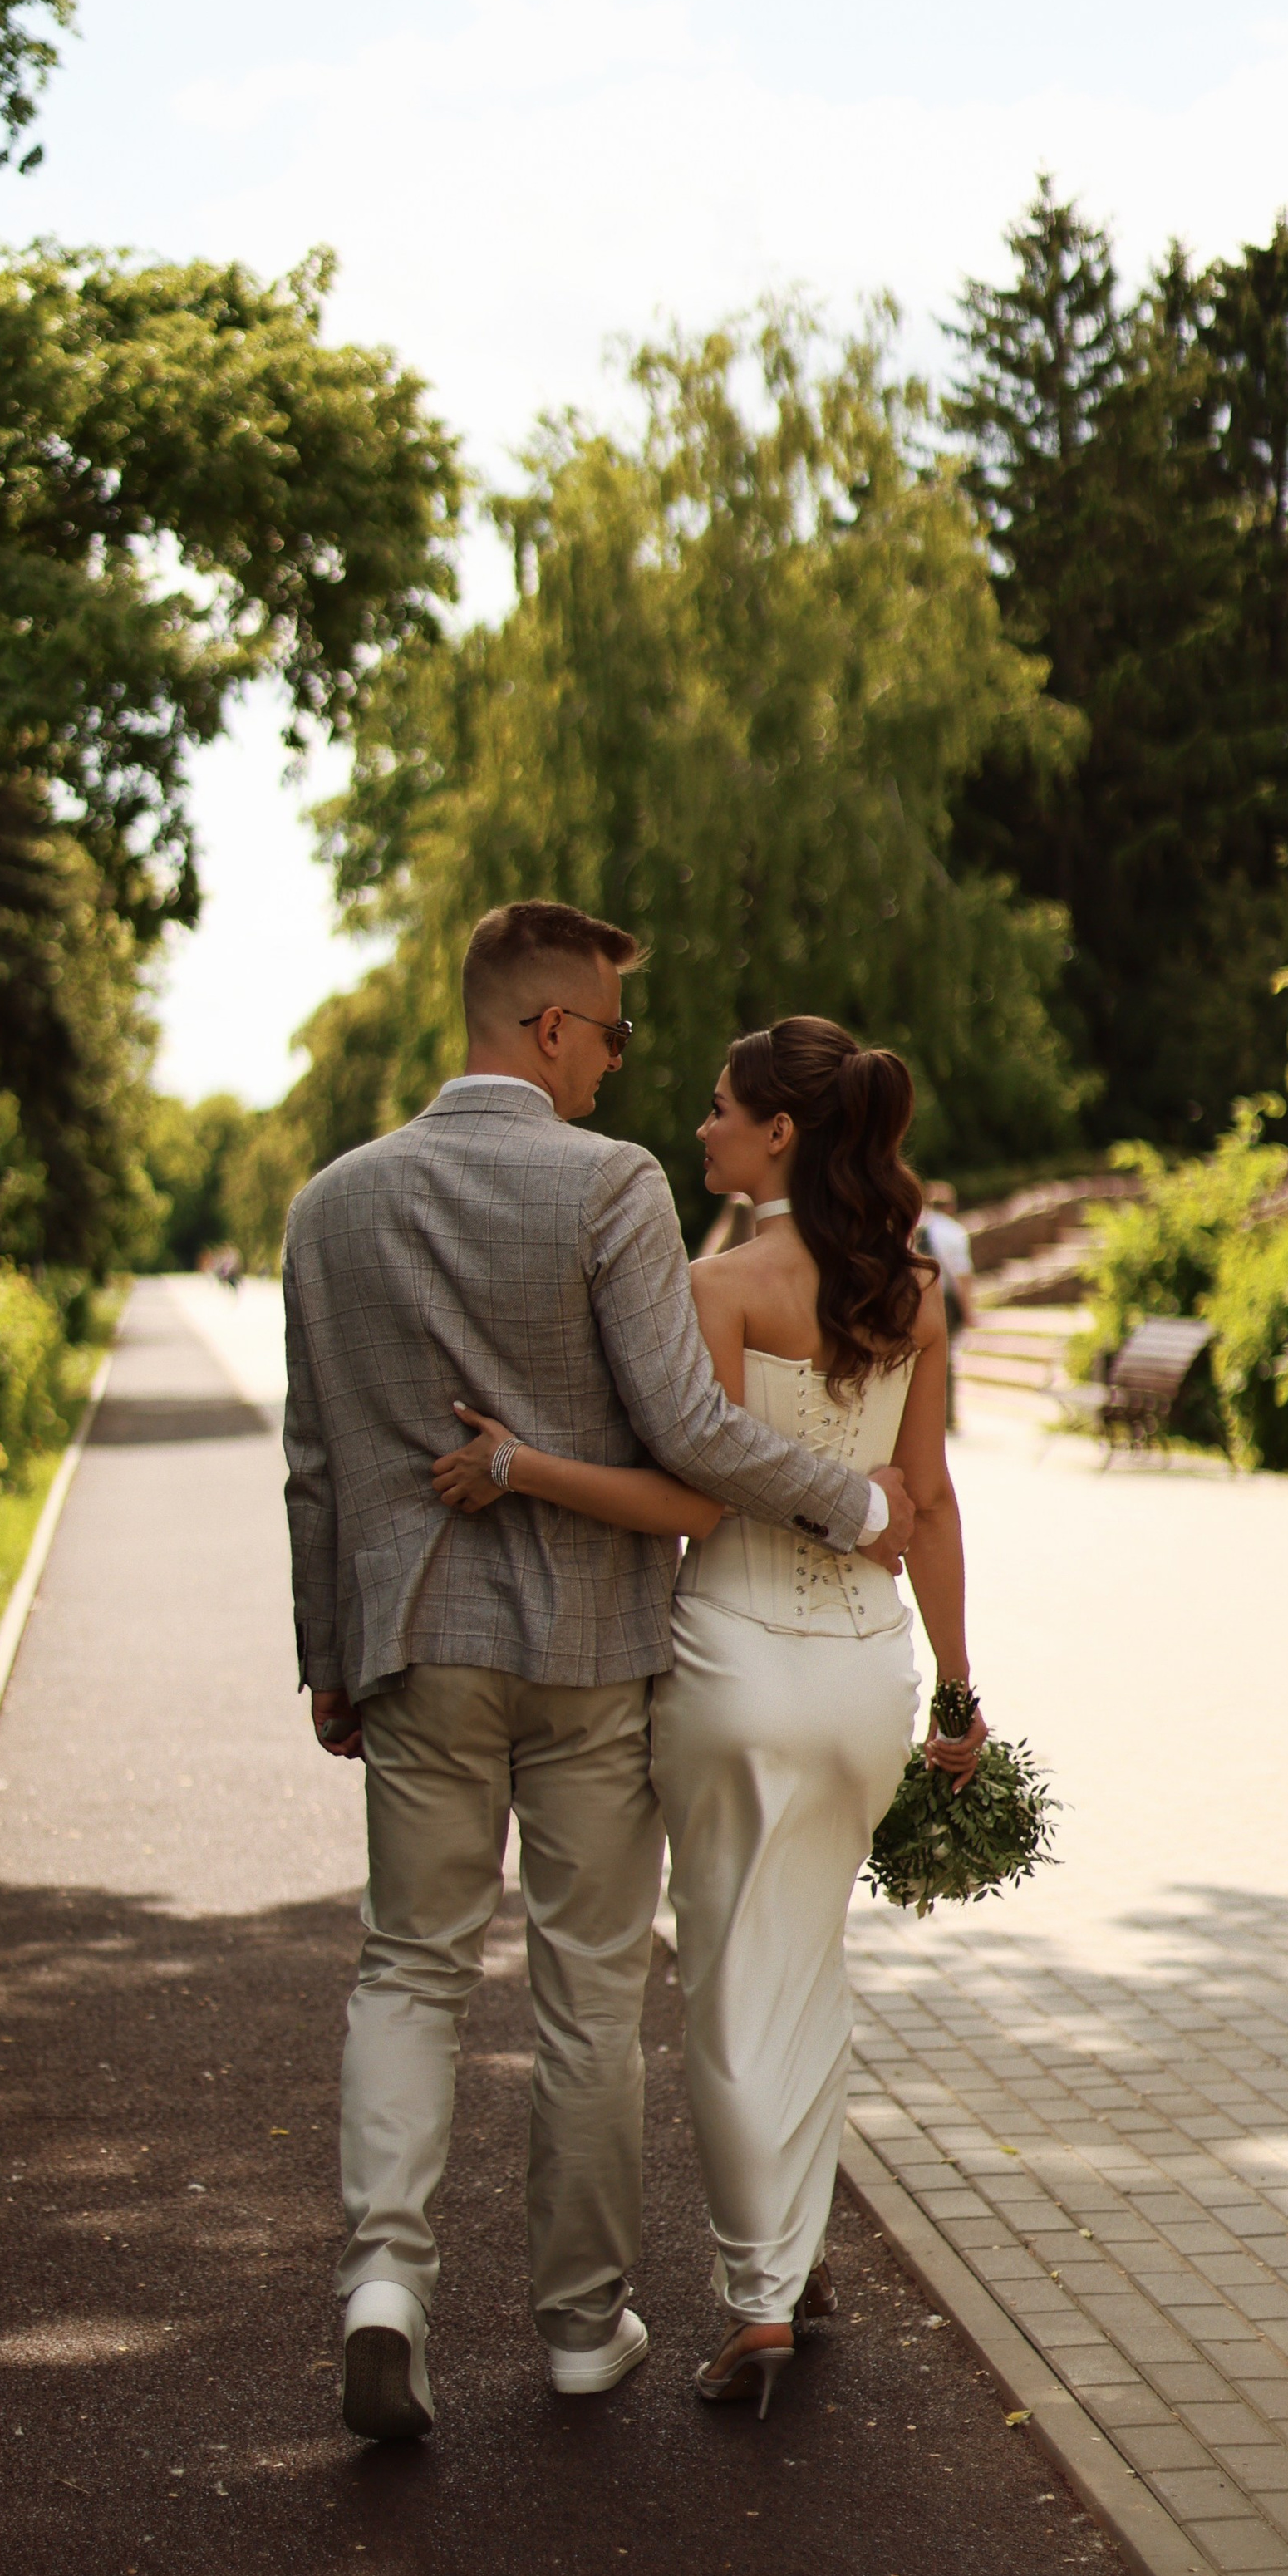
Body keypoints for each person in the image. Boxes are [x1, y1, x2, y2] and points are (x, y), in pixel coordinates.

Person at [283, 905, 914, 2443]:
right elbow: (689, 1436)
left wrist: (329, 1657)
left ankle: (383, 2288)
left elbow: (312, 1465)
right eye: (617, 1037)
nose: (623, 1069)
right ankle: (580, 2330)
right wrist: (850, 1497)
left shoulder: (331, 1206)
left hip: (415, 1643)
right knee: (587, 1991)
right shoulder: (608, 1185)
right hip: (592, 1650)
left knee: (410, 1966)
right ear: (552, 1027)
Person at [436, 1017, 986, 2421]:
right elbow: (929, 1503)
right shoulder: (911, 1292)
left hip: (737, 1661)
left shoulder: (721, 1284)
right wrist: (961, 1686)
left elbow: (694, 1495)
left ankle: (756, 2304)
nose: (701, 1128)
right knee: (809, 1970)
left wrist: (520, 1465)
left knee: (729, 1986)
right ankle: (793, 2264)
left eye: (721, 1108)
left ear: (780, 1136)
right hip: (869, 1676)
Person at [917, 1179, 975, 1431]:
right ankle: (945, 1417)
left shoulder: (916, 1227)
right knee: (944, 1359)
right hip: (944, 1301)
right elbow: (962, 1277)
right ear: (950, 1206)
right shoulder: (954, 1232)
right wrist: (968, 1311)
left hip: (913, 1299)